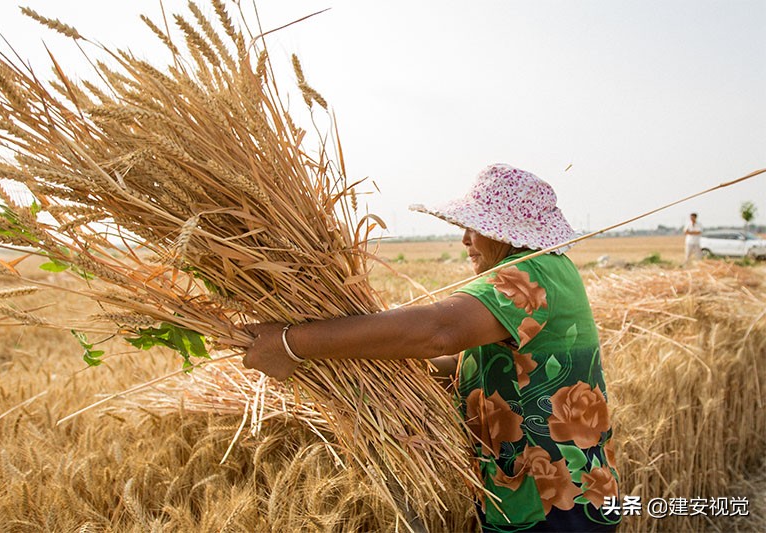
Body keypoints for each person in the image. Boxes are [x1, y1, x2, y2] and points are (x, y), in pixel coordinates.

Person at [243, 163, 621, 532]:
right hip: (532, 498)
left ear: (506, 232)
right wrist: (368, 368)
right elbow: (464, 360)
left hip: (560, 503)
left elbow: (440, 330)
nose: (465, 239)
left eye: (475, 227)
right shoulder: (542, 271)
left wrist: (294, 343)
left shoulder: (533, 273)